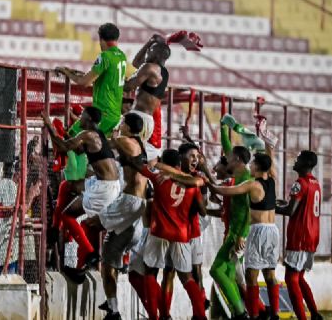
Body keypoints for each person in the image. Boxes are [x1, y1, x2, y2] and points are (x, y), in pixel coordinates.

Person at [42, 106, 120, 280]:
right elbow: (78, 150)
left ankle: (89, 251)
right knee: (68, 186)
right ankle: (55, 229)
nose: (79, 120)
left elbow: (63, 148)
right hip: (105, 183)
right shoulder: (96, 134)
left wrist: (50, 126)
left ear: (90, 120)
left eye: (82, 117)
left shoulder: (88, 135)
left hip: (104, 187)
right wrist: (67, 134)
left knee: (67, 215)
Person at [86, 112, 147, 320]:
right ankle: (112, 306)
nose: (120, 125)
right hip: (135, 208)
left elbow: (103, 141)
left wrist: (92, 128)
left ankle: (87, 257)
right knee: (110, 254)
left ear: (128, 127)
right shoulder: (139, 144)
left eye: (123, 123)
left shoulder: (125, 140)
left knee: (90, 221)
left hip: (129, 203)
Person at [135, 149, 208, 320]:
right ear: (178, 164)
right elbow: (203, 211)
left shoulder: (158, 177)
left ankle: (155, 316)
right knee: (187, 277)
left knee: (151, 272)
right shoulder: (192, 184)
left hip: (159, 232)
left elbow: (139, 165)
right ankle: (200, 315)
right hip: (182, 235)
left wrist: (154, 163)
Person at [209, 151, 280, 320]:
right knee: (270, 275)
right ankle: (275, 315)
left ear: (258, 166)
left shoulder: (252, 184)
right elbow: (271, 163)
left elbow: (228, 191)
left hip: (258, 231)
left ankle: (254, 314)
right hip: (273, 230)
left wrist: (208, 183)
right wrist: (268, 144)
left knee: (251, 276)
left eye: (253, 164)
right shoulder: (271, 180)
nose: (251, 166)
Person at [209, 116, 258, 319]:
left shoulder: (246, 179)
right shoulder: (240, 173)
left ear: (237, 160)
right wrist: (222, 128)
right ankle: (236, 312)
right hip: (235, 232)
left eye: (230, 158)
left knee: (216, 271)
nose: (226, 159)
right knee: (228, 274)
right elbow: (228, 147)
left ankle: (241, 313)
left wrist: (242, 235)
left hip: (238, 234)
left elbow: (249, 210)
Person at [276, 151, 323, 320]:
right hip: (312, 235)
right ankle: (315, 313)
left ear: (304, 163)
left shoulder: (300, 183)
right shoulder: (315, 183)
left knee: (291, 278)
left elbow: (291, 211)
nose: (295, 161)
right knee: (299, 277)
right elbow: (303, 206)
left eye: (298, 158)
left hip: (301, 236)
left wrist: (269, 207)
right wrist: (284, 203)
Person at [124, 34, 171, 162]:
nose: (147, 51)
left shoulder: (149, 68)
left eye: (150, 49)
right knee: (133, 158)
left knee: (121, 150)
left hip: (137, 118)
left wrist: (110, 78)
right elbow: (136, 63)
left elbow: (128, 87)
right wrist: (150, 42)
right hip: (147, 121)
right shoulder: (163, 72)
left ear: (155, 55)